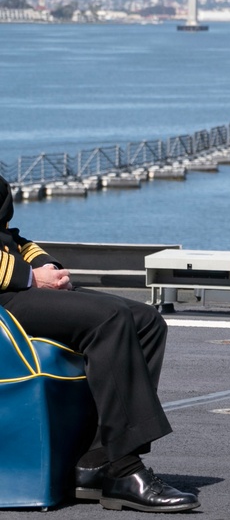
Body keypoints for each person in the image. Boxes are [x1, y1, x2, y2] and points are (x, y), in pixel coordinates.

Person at [0, 174, 200, 513]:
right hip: (7, 295)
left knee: (146, 320)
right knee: (110, 320)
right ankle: (123, 469)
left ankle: (95, 462)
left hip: (19, 285)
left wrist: (47, 266)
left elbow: (11, 238)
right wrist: (30, 278)